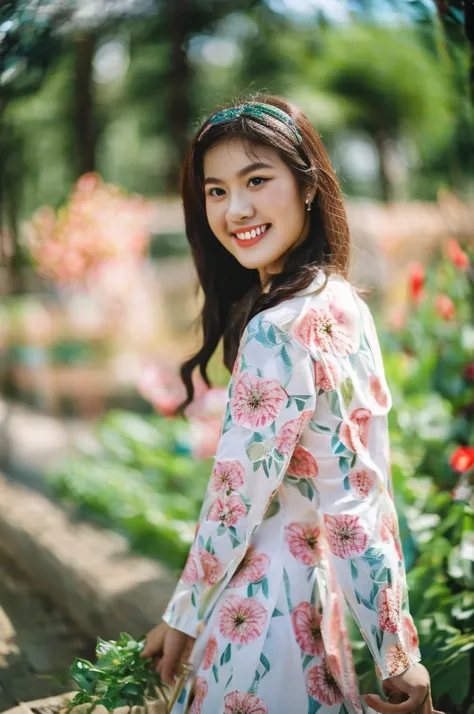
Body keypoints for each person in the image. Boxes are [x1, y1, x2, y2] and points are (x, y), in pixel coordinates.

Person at [140, 95, 444, 714]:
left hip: (260, 627)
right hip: (310, 605)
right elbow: (362, 494)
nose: (236, 209)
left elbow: (234, 501)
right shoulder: (342, 303)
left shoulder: (279, 328)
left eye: (257, 180)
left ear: (306, 184)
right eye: (216, 190)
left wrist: (183, 617)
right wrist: (397, 649)